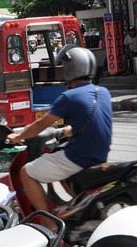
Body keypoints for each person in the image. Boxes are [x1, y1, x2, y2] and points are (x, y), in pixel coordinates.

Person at [7, 46, 112, 232]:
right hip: (100, 156)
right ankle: (79, 208)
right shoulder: (102, 92)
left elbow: (40, 125)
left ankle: (49, 223)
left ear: (71, 69)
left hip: (79, 157)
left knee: (26, 173)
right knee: (60, 161)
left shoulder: (68, 97)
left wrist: (18, 136)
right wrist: (68, 130)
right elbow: (93, 119)